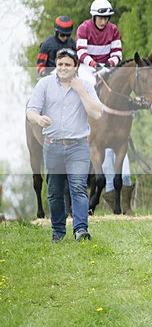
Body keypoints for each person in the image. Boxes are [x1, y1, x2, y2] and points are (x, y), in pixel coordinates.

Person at [26, 48, 103, 241]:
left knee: (78, 187)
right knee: (54, 191)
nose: (63, 68)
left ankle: (80, 230)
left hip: (78, 146)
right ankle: (58, 232)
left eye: (67, 64)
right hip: (52, 146)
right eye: (60, 64)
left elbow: (96, 113)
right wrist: (38, 118)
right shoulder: (44, 84)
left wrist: (81, 92)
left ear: (75, 66)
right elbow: (30, 110)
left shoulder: (85, 86)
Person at [76, 0, 122, 84]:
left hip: (106, 67)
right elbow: (81, 53)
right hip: (87, 67)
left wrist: (110, 64)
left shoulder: (114, 29)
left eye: (106, 18)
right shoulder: (83, 28)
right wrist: (94, 64)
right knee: (90, 83)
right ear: (94, 16)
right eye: (100, 18)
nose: (103, 22)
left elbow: (117, 53)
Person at [101, 149, 135, 215]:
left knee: (126, 175)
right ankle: (115, 209)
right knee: (109, 178)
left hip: (120, 144)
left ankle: (127, 207)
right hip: (105, 146)